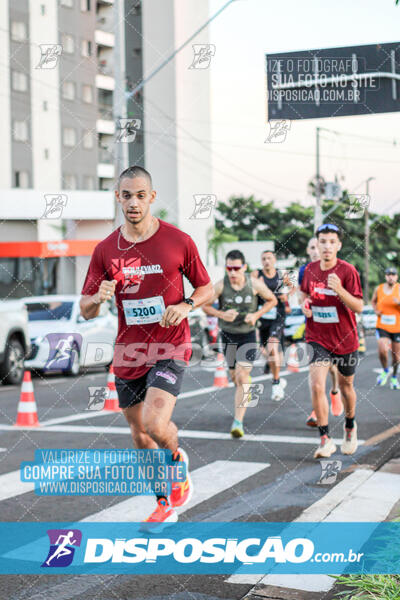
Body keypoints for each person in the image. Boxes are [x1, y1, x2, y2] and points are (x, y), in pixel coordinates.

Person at [80, 165, 213, 528]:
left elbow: (206, 288)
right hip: (128, 350)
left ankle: (177, 460)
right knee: (139, 434)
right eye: (127, 195)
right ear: (118, 198)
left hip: (170, 345)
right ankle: (163, 502)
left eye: (141, 195)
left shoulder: (178, 241)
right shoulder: (105, 250)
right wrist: (98, 296)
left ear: (152, 197)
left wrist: (186, 305)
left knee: (156, 424)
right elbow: (85, 309)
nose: (133, 202)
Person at [300, 223, 363, 459]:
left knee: (346, 387)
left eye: (331, 241)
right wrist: (304, 304)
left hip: (345, 339)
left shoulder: (348, 271)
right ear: (317, 243)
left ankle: (349, 425)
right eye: (322, 241)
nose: (326, 246)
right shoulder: (309, 270)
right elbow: (304, 293)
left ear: (339, 245)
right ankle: (325, 439)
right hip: (317, 337)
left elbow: (358, 306)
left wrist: (340, 290)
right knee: (317, 384)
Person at [202, 250, 277, 437]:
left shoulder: (254, 284)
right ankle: (244, 389)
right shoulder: (220, 286)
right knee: (235, 378)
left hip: (248, 335)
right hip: (228, 335)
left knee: (243, 376)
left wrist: (256, 315)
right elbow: (204, 305)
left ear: (244, 267)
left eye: (236, 268)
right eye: (229, 268)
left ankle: (238, 423)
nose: (233, 273)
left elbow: (272, 300)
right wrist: (221, 314)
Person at [298, 237, 344, 427]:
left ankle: (335, 391)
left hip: (334, 328)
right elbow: (299, 294)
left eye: (319, 246)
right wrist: (303, 304)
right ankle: (317, 410)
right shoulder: (303, 271)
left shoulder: (338, 269)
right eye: (312, 247)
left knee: (333, 368)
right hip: (314, 328)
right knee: (316, 374)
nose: (316, 250)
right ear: (309, 251)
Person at [251, 251, 289, 401]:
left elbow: (293, 288)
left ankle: (276, 382)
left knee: (272, 346)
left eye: (269, 258)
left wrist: (287, 296)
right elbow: (249, 289)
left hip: (277, 315)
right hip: (262, 315)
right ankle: (272, 365)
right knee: (265, 350)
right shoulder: (256, 274)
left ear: (274, 260)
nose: (266, 261)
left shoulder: (282, 274)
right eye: (264, 259)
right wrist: (256, 289)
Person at [371, 267, 400, 389]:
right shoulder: (379, 288)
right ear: (385, 276)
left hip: (397, 327)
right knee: (382, 350)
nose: (391, 277)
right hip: (382, 325)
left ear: (397, 277)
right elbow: (373, 301)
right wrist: (375, 310)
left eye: (393, 275)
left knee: (396, 357)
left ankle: (393, 377)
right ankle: (385, 370)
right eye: (388, 274)